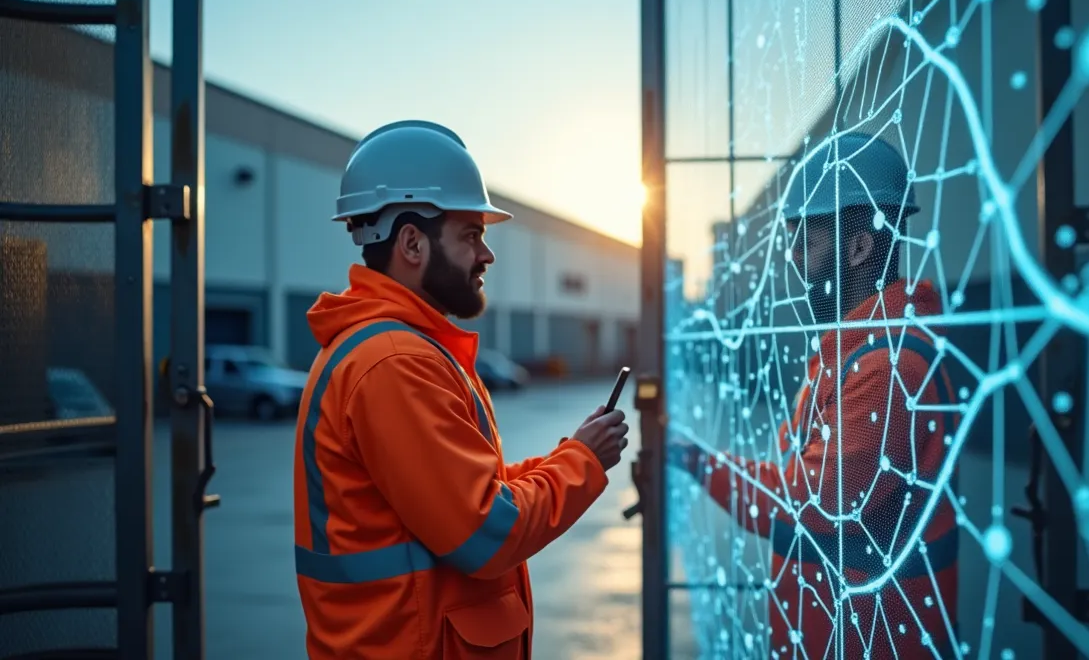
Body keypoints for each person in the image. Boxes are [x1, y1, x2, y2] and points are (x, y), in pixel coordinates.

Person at [292, 120, 630, 659]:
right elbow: (484, 533)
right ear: (411, 243)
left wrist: (572, 450)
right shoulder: (394, 364)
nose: (485, 255)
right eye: (471, 235)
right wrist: (583, 464)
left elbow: (471, 491)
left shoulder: (399, 350)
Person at [669, 133, 960, 659]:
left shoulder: (887, 370)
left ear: (859, 246)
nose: (795, 262)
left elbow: (806, 502)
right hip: (837, 634)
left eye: (807, 242)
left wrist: (699, 461)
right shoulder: (853, 349)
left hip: (873, 640)